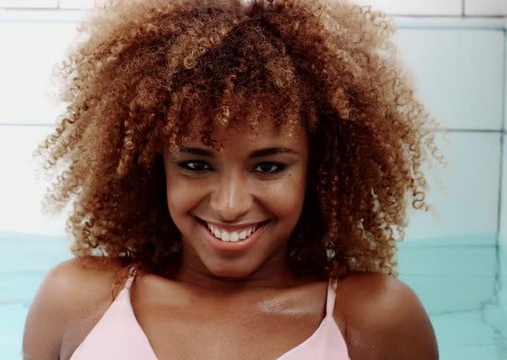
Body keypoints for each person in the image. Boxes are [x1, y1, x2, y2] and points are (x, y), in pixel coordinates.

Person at [23, 0, 440, 358]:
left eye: (268, 167)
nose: (230, 204)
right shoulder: (75, 302)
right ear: (153, 167)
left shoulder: (375, 321)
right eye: (196, 165)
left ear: (320, 169)